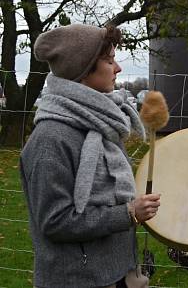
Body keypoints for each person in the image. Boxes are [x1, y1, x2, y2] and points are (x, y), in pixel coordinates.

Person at [20, 24, 161, 288]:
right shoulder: (50, 139)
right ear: (83, 72)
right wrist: (128, 213)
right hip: (78, 280)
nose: (117, 68)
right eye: (108, 61)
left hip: (120, 272)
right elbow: (55, 221)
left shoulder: (103, 126)